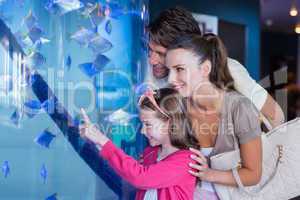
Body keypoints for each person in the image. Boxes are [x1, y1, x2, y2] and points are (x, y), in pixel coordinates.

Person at [146, 6, 284, 128]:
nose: (151, 60)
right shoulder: (155, 78)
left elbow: (276, 115)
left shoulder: (229, 68)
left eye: (161, 54)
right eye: (150, 50)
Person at [165, 34, 263, 199]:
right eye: (169, 70)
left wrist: (209, 174)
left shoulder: (240, 108)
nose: (170, 79)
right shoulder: (177, 107)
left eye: (179, 69)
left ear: (205, 69)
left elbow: (253, 174)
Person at [79, 88, 200, 200]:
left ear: (169, 123)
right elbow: (130, 174)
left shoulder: (187, 161)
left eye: (147, 124)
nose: (142, 131)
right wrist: (96, 141)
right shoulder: (150, 153)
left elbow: (140, 178)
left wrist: (101, 140)